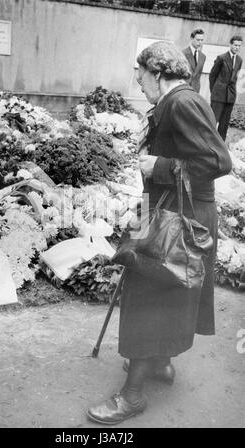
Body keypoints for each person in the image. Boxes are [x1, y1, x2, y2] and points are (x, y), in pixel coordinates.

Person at [87, 41, 232, 425]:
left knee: (145, 297)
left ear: (157, 72)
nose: (139, 84)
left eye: (141, 77)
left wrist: (160, 166)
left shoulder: (183, 102)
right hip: (166, 206)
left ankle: (132, 396)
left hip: (179, 213)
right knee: (169, 294)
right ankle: (161, 365)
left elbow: (219, 161)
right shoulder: (178, 100)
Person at [210, 35, 243, 141]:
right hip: (218, 95)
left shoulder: (239, 60)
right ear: (230, 44)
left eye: (239, 45)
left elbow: (234, 77)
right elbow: (212, 76)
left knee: (224, 123)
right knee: (212, 121)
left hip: (230, 95)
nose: (237, 47)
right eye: (235, 45)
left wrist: (233, 93)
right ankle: (207, 142)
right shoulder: (221, 58)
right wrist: (214, 91)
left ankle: (221, 145)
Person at [182, 28, 206, 93]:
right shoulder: (183, 53)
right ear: (191, 39)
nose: (200, 42)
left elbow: (198, 75)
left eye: (202, 40)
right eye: (198, 40)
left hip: (195, 90)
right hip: (184, 89)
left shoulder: (203, 57)